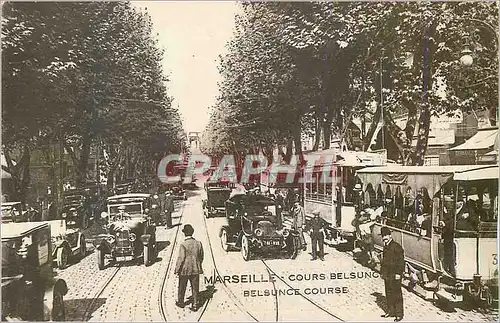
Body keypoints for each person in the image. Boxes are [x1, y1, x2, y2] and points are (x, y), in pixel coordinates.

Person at [174, 224, 204, 311]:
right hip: (195, 269)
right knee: (195, 287)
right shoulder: (198, 243)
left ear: (185, 234)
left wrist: (177, 269)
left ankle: (181, 302)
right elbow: (201, 256)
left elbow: (181, 258)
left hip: (184, 270)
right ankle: (195, 304)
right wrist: (197, 264)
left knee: (182, 286)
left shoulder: (183, 244)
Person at [380, 226, 404, 322]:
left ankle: (399, 314)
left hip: (395, 274)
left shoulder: (396, 247)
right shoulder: (385, 246)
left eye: (386, 235)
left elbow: (401, 262)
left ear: (390, 235)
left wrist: (399, 273)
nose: (384, 238)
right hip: (387, 274)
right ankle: (391, 311)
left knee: (397, 294)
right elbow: (384, 261)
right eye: (383, 236)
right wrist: (382, 272)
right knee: (388, 293)